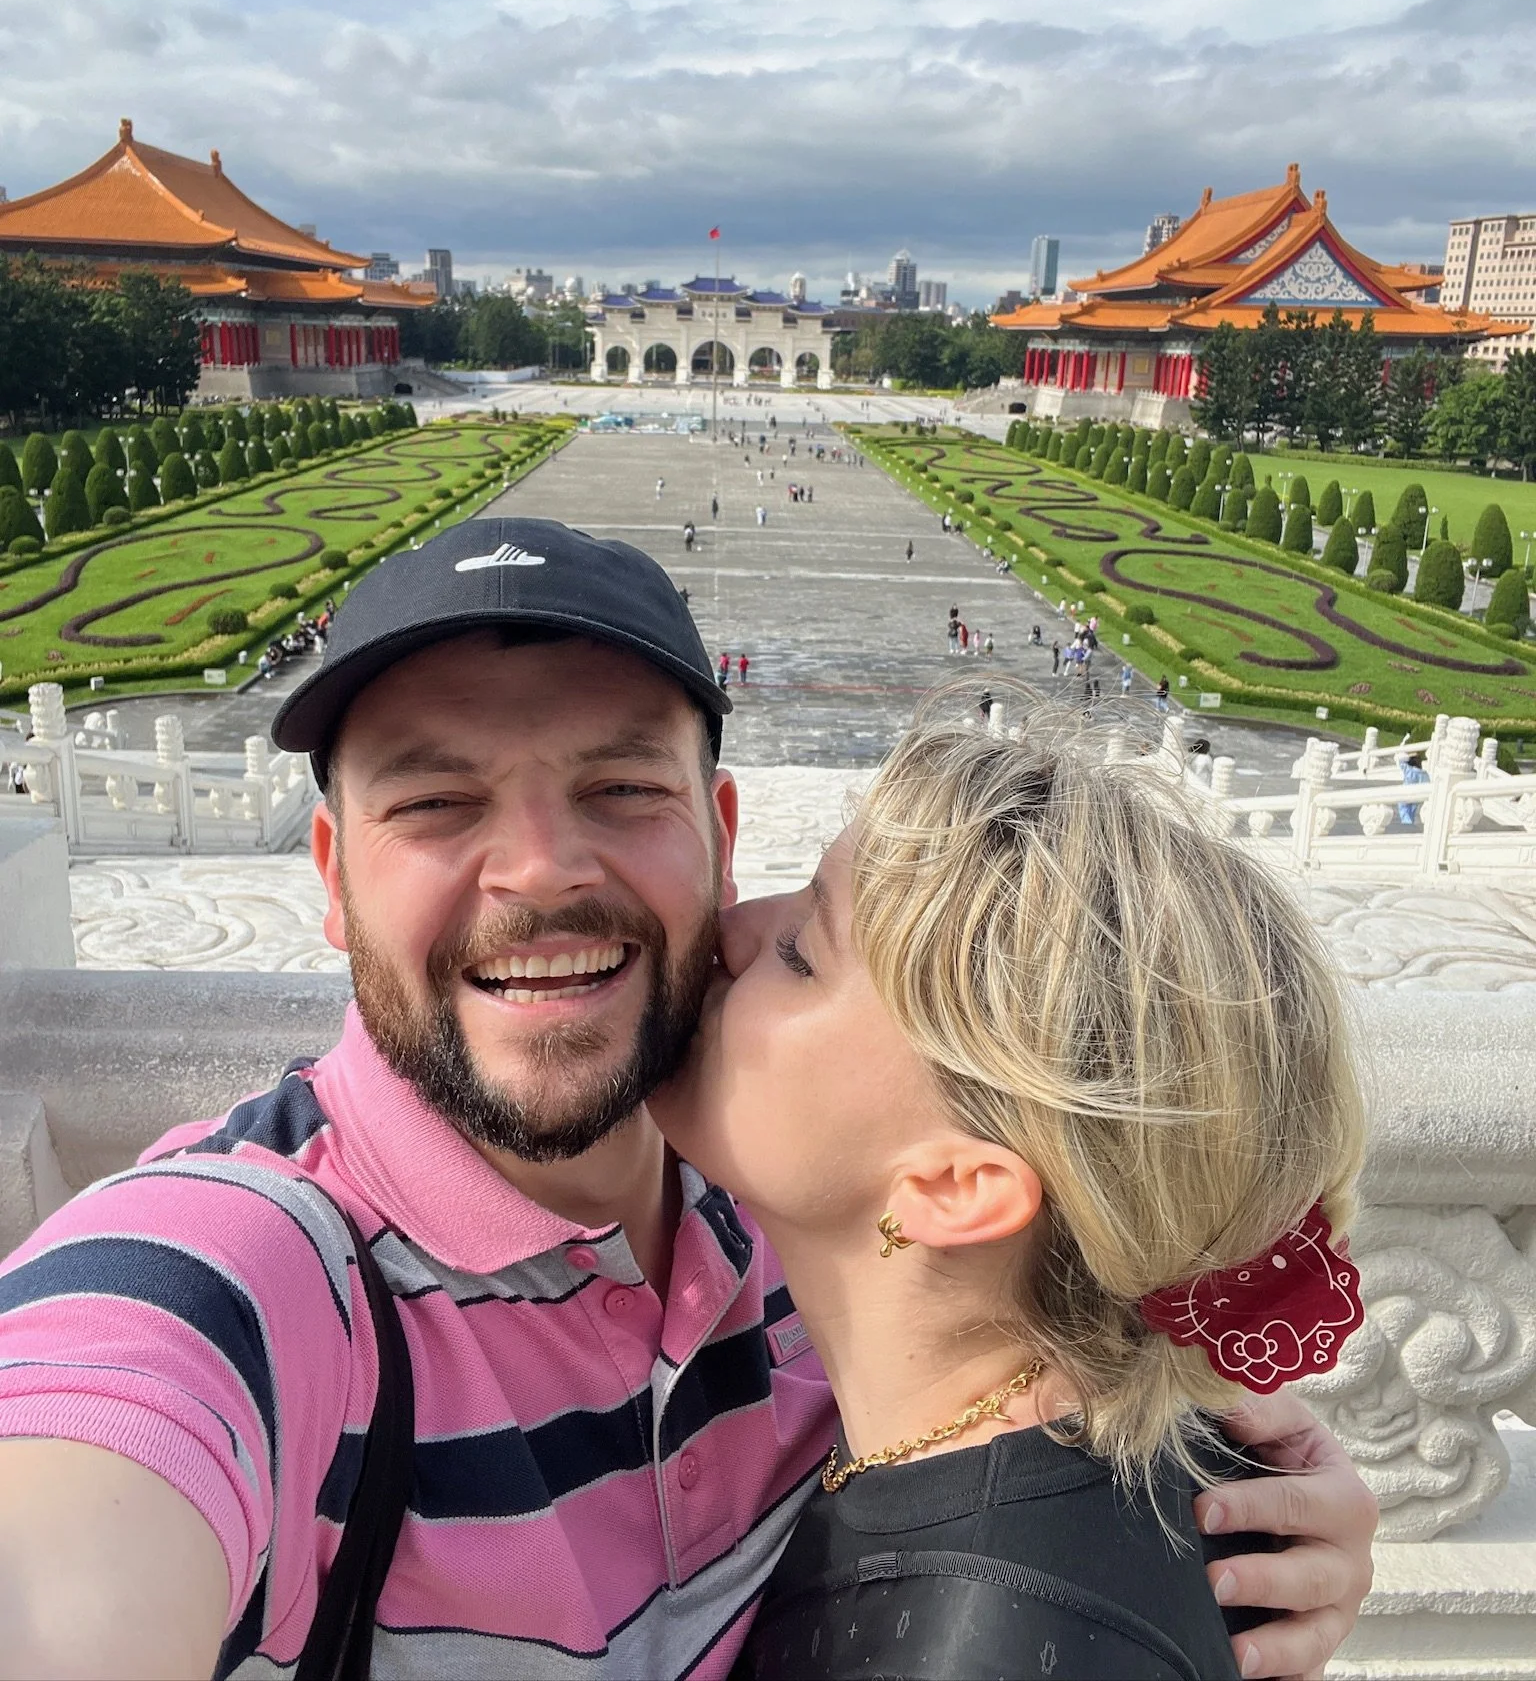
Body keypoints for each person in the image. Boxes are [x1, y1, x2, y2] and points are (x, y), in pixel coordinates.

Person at [0, 522, 1376, 1677]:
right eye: (434, 803)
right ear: (331, 873)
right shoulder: (242, 1281)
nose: (539, 870)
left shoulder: (811, 1223)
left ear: (718, 836)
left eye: (619, 785)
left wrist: (1231, 1510)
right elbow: (78, 1491)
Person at [654, 698, 1365, 1681]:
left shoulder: (1000, 1634)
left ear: (954, 1187)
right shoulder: (1122, 1471)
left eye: (799, 953)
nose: (731, 928)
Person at [1397, 748, 1429, 827]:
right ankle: (1409, 821)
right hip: (1418, 794)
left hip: (1407, 792)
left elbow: (1400, 760)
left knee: (1403, 806)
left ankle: (1406, 822)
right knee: (1412, 808)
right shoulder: (1424, 774)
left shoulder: (1408, 769)